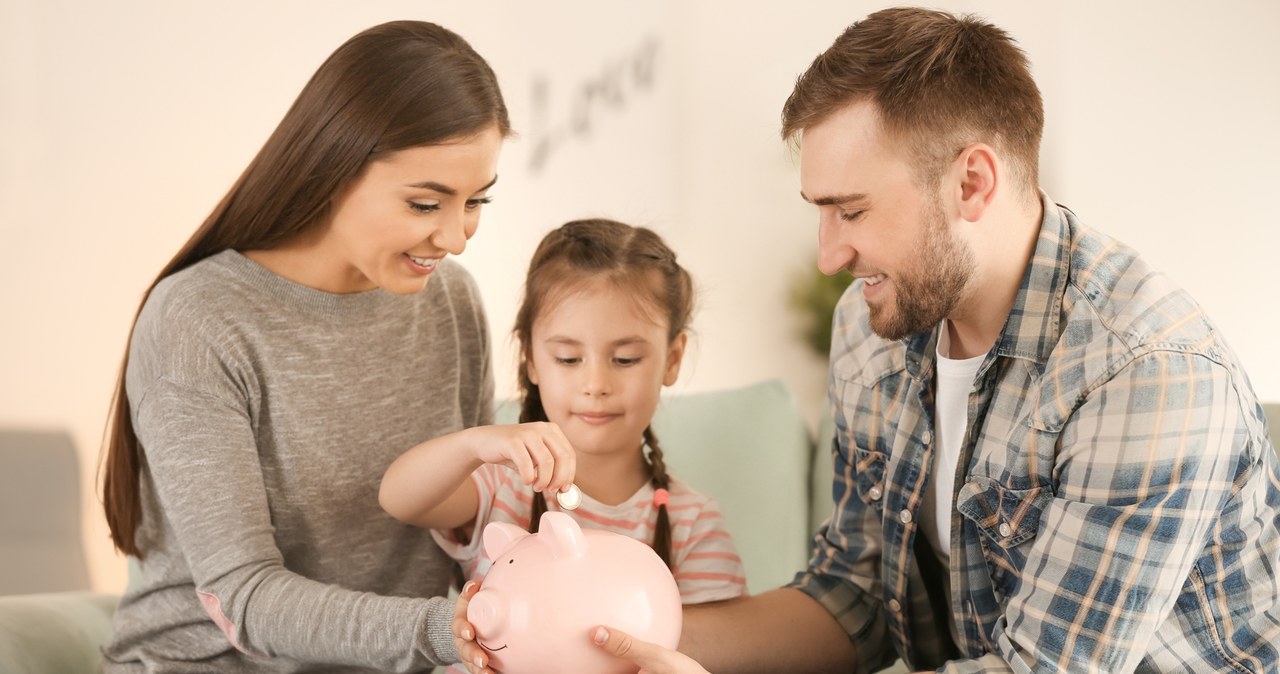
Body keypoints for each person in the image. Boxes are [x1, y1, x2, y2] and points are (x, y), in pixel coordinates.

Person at [461, 7, 1280, 674]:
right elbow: (854, 597)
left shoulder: (1149, 376)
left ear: (971, 182)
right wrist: (578, 636)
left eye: (851, 211)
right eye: (819, 210)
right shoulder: (875, 325)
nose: (829, 254)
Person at [99, 20, 514, 672]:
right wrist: (444, 629)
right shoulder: (201, 320)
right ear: (333, 169)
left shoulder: (453, 303)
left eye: (475, 202)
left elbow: (475, 534)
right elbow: (247, 599)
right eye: (425, 203)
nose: (457, 237)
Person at [380, 219, 747, 651]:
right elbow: (399, 499)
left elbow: (720, 652)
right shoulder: (501, 488)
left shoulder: (692, 523)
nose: (595, 383)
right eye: (569, 358)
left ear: (672, 358)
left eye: (625, 359)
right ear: (531, 358)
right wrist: (474, 443)